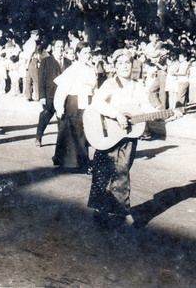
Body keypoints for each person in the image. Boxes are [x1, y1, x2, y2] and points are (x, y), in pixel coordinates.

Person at [87, 49, 178, 228]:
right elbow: (97, 103)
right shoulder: (110, 84)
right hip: (107, 132)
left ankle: (121, 212)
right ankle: (100, 209)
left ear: (132, 65)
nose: (124, 67)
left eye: (127, 63)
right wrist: (117, 114)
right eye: (120, 64)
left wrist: (167, 114)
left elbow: (146, 109)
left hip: (128, 136)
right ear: (114, 67)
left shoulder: (138, 86)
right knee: (102, 172)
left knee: (122, 171)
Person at [52, 42, 96, 171]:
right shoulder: (73, 69)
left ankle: (82, 162)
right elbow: (62, 89)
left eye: (89, 53)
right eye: (85, 53)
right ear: (78, 54)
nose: (88, 56)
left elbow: (94, 88)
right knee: (72, 134)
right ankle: (73, 164)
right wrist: (59, 107)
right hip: (73, 103)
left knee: (84, 132)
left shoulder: (91, 69)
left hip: (87, 102)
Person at [35, 40, 71, 147]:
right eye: (58, 46)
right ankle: (38, 136)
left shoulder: (68, 62)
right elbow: (41, 79)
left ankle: (61, 144)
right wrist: (42, 96)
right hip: (50, 95)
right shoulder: (46, 61)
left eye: (62, 46)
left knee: (62, 119)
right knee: (45, 116)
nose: (60, 49)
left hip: (64, 96)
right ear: (54, 48)